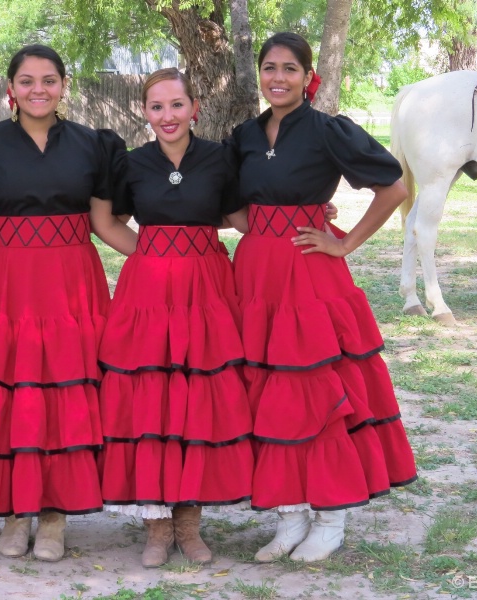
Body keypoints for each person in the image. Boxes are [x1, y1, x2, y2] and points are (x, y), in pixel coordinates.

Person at [228, 32, 418, 563]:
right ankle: (289, 516)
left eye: (290, 68)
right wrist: (262, 226)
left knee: (313, 392)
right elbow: (228, 206)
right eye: (270, 68)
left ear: (307, 76)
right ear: (260, 74)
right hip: (256, 273)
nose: (278, 78)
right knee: (266, 390)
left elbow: (394, 187)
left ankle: (330, 518)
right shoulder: (243, 134)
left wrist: (345, 242)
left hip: (308, 272)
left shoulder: (326, 129)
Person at [0, 45, 117, 561]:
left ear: (64, 85)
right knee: (10, 387)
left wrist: (164, 257)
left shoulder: (93, 144)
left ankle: (53, 516)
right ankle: (13, 511)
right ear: (11, 88)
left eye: (49, 79)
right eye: (26, 81)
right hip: (5, 279)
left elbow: (105, 219)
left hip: (71, 277)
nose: (38, 90)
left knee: (62, 389)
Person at [91, 68, 254, 568]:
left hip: (206, 286)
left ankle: (190, 525)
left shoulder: (220, 158)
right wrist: (152, 253)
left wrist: (309, 211)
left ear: (194, 106)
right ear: (145, 111)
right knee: (152, 401)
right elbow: (104, 220)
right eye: (157, 107)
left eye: (177, 105)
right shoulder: (131, 163)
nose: (168, 116)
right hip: (148, 291)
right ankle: (157, 529)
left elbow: (240, 217)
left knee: (197, 397)